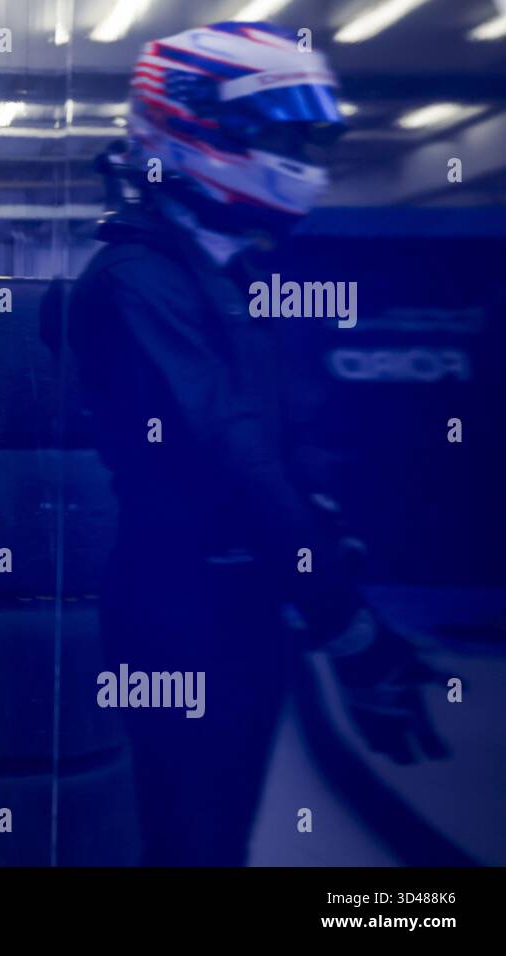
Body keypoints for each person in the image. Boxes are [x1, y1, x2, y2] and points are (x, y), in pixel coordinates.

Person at [68, 21, 445, 865]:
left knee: (222, 837)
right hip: (179, 611)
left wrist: (333, 575)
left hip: (243, 606)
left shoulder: (228, 271)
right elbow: (229, 457)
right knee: (192, 840)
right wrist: (351, 632)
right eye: (281, 128)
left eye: (308, 129)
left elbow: (281, 451)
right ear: (198, 123)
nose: (300, 148)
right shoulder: (137, 280)